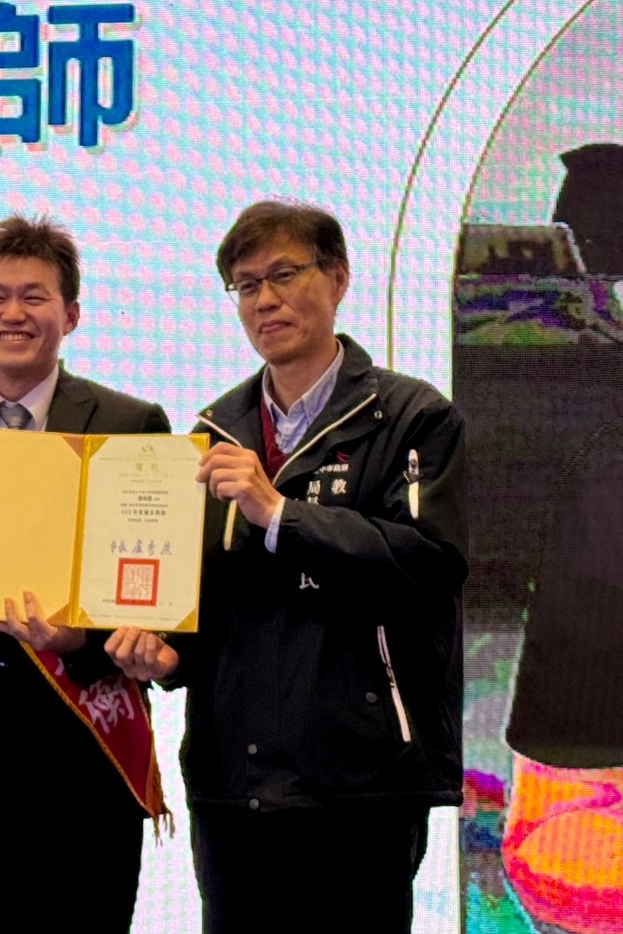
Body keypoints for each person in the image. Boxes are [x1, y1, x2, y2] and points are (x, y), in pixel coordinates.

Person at [106, 201, 469, 933]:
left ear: (337, 278)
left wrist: (279, 512)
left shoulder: (411, 416)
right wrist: (166, 655)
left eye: (283, 274)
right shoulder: (213, 431)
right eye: (246, 285)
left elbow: (431, 561)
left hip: (359, 781)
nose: (264, 300)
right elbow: (209, 595)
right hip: (231, 781)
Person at [0, 214, 171, 934]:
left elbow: (155, 585)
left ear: (70, 314)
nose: (12, 313)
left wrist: (82, 637)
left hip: (83, 763)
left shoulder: (130, 423)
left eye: (34, 296)